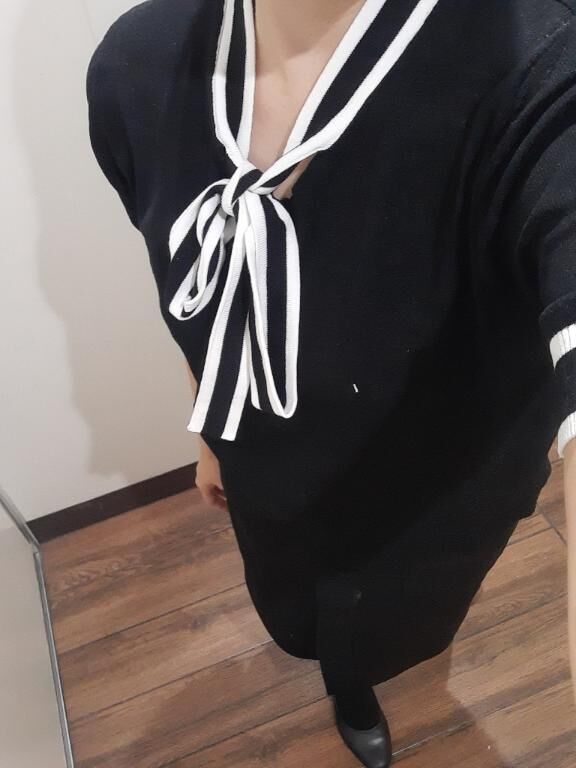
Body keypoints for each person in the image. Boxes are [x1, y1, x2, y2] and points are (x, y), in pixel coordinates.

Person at [86, 0, 576, 765]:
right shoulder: (134, 66)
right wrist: (210, 429)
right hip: (269, 485)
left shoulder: (542, 66)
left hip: (439, 504)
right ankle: (348, 688)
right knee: (306, 619)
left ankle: (372, 673)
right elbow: (193, 295)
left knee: (408, 623)